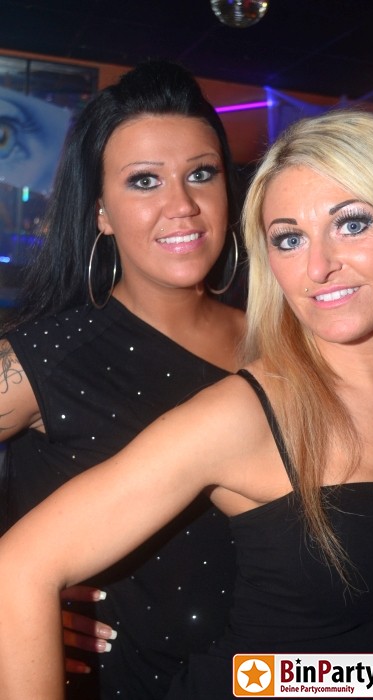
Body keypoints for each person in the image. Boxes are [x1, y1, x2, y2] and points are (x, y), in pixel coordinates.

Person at [0, 108, 373, 700]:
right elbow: (19, 568)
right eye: (290, 239)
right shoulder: (241, 411)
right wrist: (24, 629)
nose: (318, 266)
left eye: (351, 224)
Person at [0, 59, 246, 699]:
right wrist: (13, 600)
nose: (182, 205)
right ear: (101, 212)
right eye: (144, 181)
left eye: (201, 173)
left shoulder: (288, 341)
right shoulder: (48, 356)